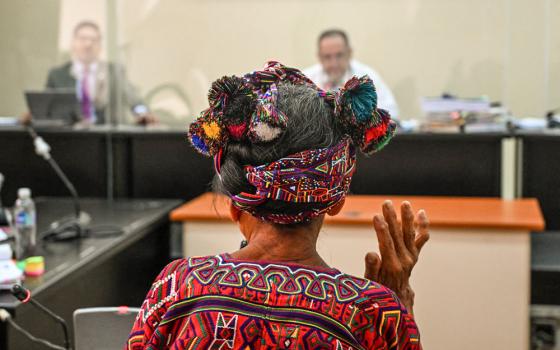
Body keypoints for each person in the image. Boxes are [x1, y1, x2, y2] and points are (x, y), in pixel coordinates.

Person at [126, 61, 429, 349]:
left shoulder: (179, 287)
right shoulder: (372, 314)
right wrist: (396, 305)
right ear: (335, 200)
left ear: (236, 204)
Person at [44, 21, 154, 125]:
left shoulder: (114, 71)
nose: (88, 44)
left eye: (94, 40)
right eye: (83, 39)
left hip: (106, 138)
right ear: (73, 43)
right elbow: (44, 109)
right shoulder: (57, 75)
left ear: (100, 45)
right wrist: (34, 117)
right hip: (68, 138)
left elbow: (135, 101)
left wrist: (142, 112)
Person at [304, 29, 399, 118]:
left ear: (349, 53)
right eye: (327, 57)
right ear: (319, 57)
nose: (334, 63)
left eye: (339, 55)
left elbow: (391, 113)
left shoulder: (367, 76)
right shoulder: (306, 79)